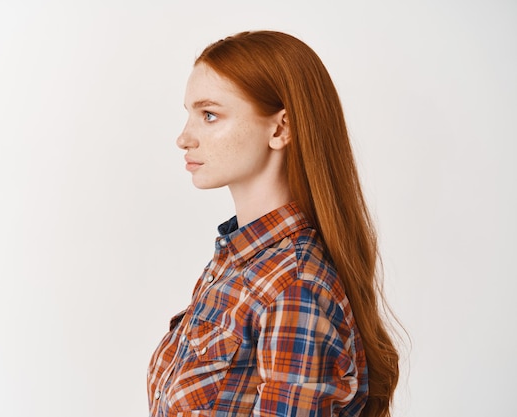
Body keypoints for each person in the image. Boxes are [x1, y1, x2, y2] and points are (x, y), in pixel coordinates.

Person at [147, 30, 399, 417]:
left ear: (280, 129)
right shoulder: (237, 264)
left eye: (209, 115)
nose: (184, 137)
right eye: (189, 113)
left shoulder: (294, 287)